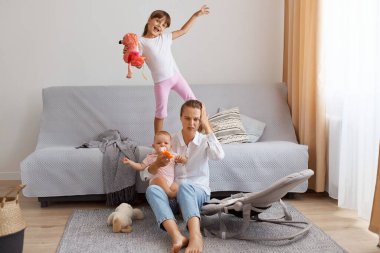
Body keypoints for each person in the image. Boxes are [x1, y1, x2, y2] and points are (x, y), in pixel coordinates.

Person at [141, 100, 225, 253]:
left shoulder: (205, 141)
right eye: (187, 118)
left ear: (200, 120)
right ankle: (177, 236)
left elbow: (219, 155)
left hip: (197, 194)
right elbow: (144, 175)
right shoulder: (168, 141)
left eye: (196, 119)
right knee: (152, 189)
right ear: (180, 118)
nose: (192, 123)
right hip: (173, 196)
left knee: (185, 186)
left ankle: (195, 236)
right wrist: (156, 165)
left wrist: (207, 125)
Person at [124, 5, 210, 133]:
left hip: (176, 76)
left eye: (164, 25)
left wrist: (196, 15)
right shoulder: (140, 42)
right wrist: (132, 56)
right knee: (161, 112)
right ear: (149, 19)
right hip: (161, 82)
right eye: (158, 21)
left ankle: (207, 132)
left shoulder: (165, 38)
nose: (160, 26)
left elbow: (183, 30)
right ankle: (158, 142)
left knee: (197, 104)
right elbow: (139, 64)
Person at [123, 130, 187, 198]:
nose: (162, 145)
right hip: (156, 182)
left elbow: (184, 161)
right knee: (158, 179)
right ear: (153, 146)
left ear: (170, 146)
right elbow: (141, 166)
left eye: (166, 143)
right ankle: (170, 194)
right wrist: (131, 163)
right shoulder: (151, 157)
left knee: (177, 186)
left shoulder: (173, 156)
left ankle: (173, 200)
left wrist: (182, 159)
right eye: (159, 143)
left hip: (170, 182)